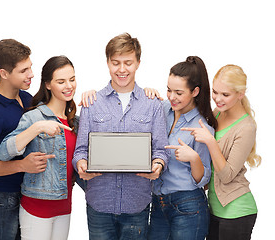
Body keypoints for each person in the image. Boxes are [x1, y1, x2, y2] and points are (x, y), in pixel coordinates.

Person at [72, 32, 169, 240]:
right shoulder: (92, 102)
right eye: (116, 63)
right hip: (99, 203)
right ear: (107, 63)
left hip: (137, 204)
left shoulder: (152, 104)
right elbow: (81, 150)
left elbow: (161, 149)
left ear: (138, 63)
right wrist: (80, 163)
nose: (122, 69)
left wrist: (158, 165)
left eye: (128, 62)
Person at [0, 39, 53, 240]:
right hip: (0, 197)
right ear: (4, 74)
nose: (31, 74)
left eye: (30, 67)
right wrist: (22, 166)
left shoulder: (26, 98)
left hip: (27, 194)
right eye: (23, 71)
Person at [0, 56, 80, 240]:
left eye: (72, 79)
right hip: (36, 208)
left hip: (65, 208)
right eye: (61, 81)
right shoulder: (34, 117)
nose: (69, 86)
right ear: (48, 85)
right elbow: (4, 152)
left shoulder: (76, 121)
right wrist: (37, 128)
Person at [182, 64, 261, 240]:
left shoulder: (246, 127)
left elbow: (227, 175)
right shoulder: (218, 114)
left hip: (237, 212)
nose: (218, 98)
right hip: (213, 208)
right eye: (215, 92)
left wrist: (210, 141)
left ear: (240, 94)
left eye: (225, 95)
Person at [148, 56, 216, 240]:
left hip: (188, 204)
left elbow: (203, 179)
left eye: (178, 92)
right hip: (158, 202)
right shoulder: (162, 109)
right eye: (169, 90)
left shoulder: (202, 128)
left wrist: (193, 157)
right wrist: (146, 92)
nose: (171, 97)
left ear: (195, 91)